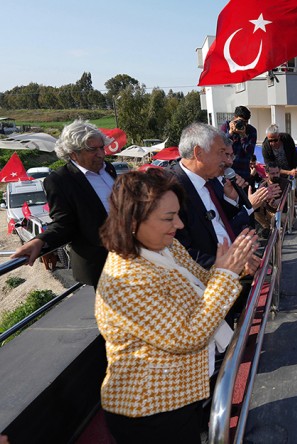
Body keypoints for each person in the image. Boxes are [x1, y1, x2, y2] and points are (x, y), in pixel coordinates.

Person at [95, 170, 258, 442]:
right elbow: (188, 336)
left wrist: (231, 267)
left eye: (178, 215)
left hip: (182, 391)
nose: (179, 225)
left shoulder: (166, 248)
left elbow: (202, 283)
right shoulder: (127, 279)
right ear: (133, 221)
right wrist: (226, 275)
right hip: (150, 408)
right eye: (169, 218)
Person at [12, 119, 117, 287]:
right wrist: (39, 241)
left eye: (101, 148)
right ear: (73, 153)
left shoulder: (108, 168)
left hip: (130, 255)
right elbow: (64, 223)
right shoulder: (59, 181)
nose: (101, 154)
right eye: (92, 149)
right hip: (103, 265)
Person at [171, 123, 278, 269]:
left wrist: (231, 199)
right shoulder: (170, 189)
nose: (228, 161)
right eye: (221, 152)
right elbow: (181, 252)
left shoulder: (213, 179)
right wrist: (229, 266)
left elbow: (221, 222)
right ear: (198, 153)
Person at [221, 105, 257, 181]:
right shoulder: (226, 126)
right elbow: (221, 147)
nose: (242, 124)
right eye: (239, 121)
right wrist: (230, 133)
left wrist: (243, 135)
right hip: (227, 171)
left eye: (245, 122)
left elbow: (250, 153)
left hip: (243, 173)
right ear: (234, 118)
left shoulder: (251, 130)